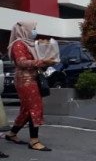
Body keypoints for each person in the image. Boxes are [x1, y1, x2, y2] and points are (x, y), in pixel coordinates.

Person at [4, 21, 57, 151]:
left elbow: (36, 62)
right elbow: (22, 62)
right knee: (35, 107)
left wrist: (47, 62)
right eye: (33, 29)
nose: (35, 31)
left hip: (33, 78)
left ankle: (12, 134)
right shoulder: (18, 44)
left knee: (27, 109)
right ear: (25, 30)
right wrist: (42, 61)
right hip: (25, 80)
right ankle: (34, 141)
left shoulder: (30, 44)